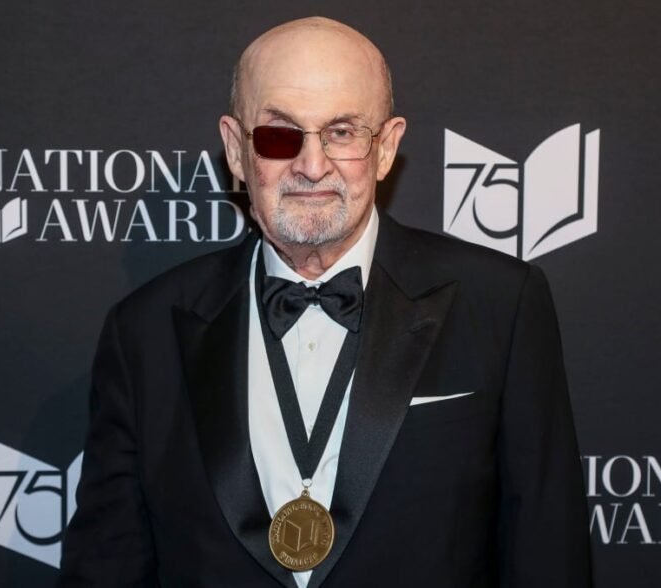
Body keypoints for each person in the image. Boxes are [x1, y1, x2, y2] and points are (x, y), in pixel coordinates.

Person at [58, 16, 592, 588]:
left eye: (341, 132)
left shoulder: (500, 305)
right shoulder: (145, 331)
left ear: (386, 148)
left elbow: (546, 552)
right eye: (280, 134)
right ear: (237, 151)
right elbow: (107, 567)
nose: (312, 166)